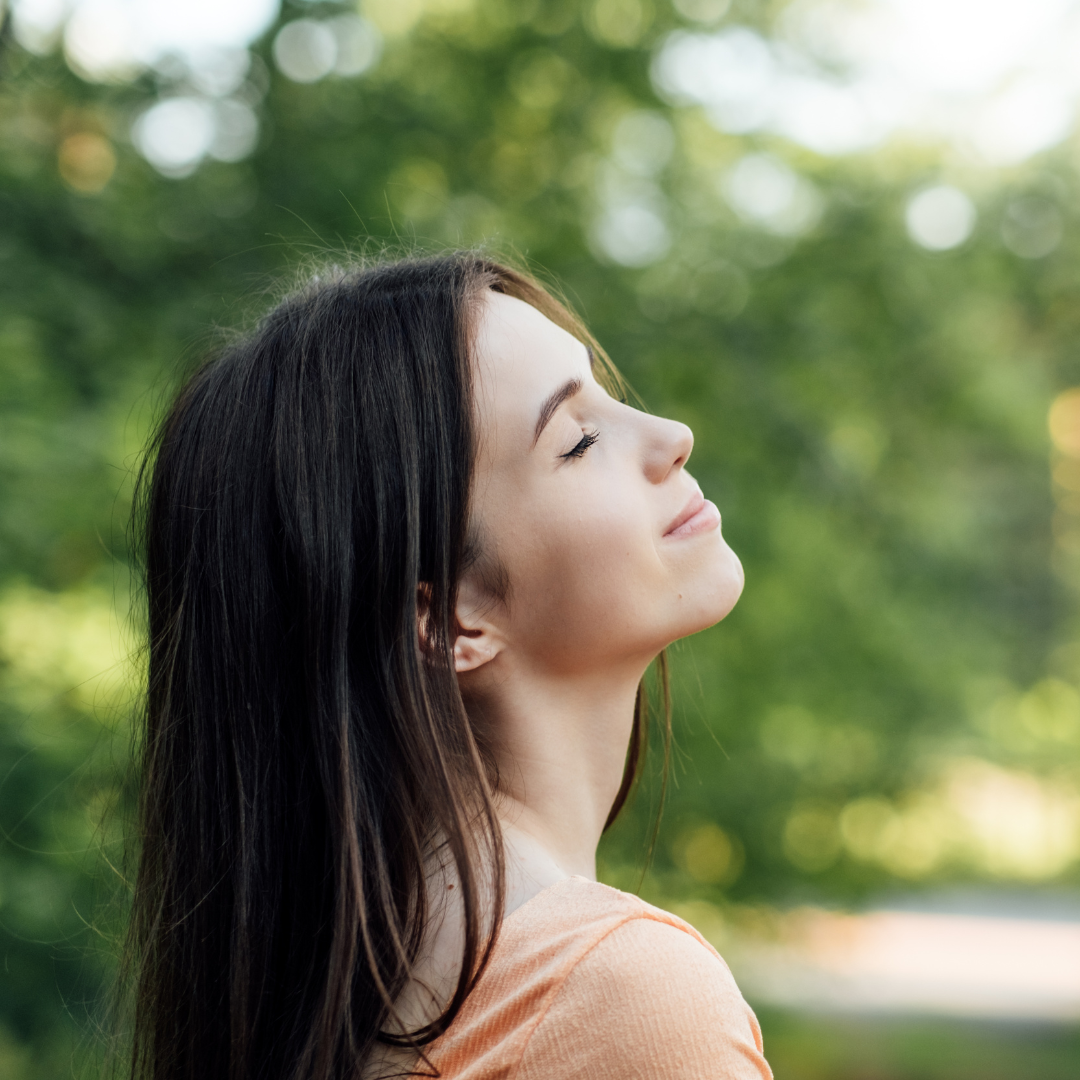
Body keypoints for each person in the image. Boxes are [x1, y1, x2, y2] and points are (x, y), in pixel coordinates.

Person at [127, 253, 769, 1080]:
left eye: (612, 399)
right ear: (444, 616)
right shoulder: (619, 996)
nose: (673, 437)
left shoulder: (338, 1003)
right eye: (578, 440)